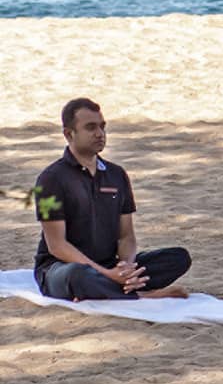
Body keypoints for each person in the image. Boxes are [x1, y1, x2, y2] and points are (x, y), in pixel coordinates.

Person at [32, 98, 192, 301]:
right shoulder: (49, 179)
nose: (100, 134)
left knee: (178, 258)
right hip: (60, 268)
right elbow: (57, 246)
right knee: (78, 276)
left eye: (102, 127)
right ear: (68, 134)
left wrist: (126, 269)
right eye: (90, 128)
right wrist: (107, 274)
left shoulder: (117, 175)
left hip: (109, 264)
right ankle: (141, 295)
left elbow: (126, 236)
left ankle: (116, 288)